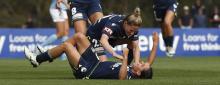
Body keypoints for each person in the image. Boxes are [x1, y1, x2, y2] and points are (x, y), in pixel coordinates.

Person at [24, 32, 159, 79]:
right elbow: (149, 62)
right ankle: (51, 55)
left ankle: (37, 59)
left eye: (141, 65)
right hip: (95, 63)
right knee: (79, 36)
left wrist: (124, 58)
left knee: (66, 46)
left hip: (88, 71)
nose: (141, 62)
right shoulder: (135, 70)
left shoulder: (129, 75)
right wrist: (155, 44)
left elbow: (121, 78)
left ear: (138, 73)